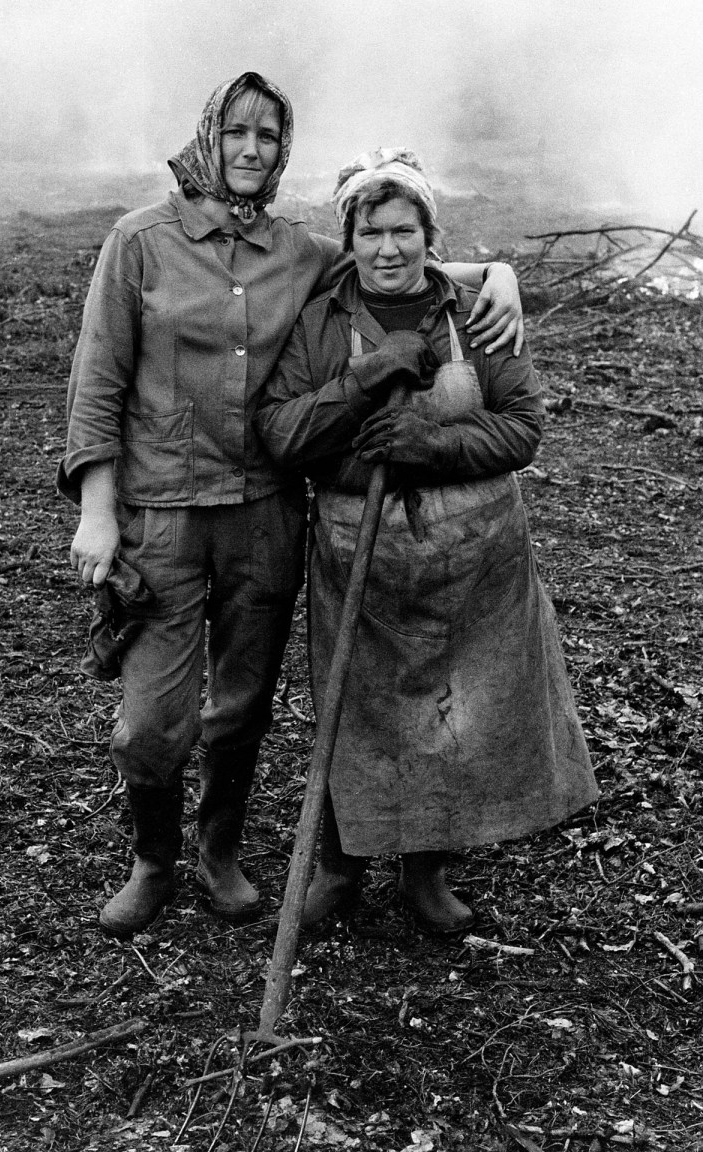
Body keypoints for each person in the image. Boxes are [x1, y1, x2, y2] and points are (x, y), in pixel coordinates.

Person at [57, 75, 526, 939]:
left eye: (269, 137)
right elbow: (97, 380)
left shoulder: (297, 252)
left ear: (282, 151)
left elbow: (394, 263)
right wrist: (97, 504)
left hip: (266, 513)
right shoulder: (139, 242)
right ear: (209, 137)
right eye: (236, 132)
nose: (250, 150)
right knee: (151, 721)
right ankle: (151, 859)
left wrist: (497, 273)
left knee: (239, 705)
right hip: (162, 511)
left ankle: (218, 852)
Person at [256, 148, 598, 935]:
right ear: (350, 237)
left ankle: (426, 873)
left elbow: (523, 427)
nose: (387, 248)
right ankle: (341, 871)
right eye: (370, 231)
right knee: (360, 710)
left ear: (428, 235)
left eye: (403, 230)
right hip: (361, 558)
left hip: (474, 564)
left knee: (454, 714)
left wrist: (433, 444)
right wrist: (366, 384)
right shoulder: (321, 320)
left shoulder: (476, 313)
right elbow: (282, 431)